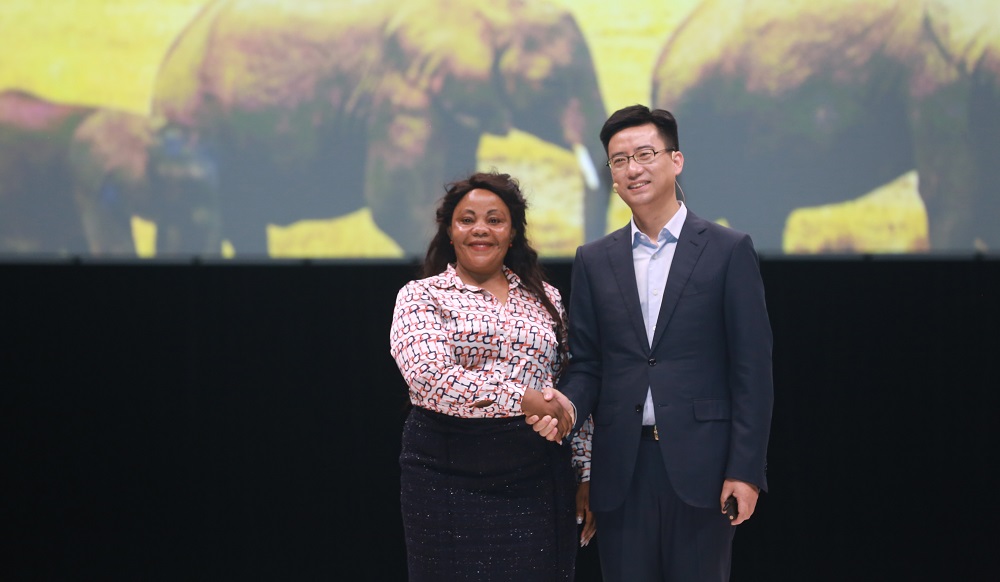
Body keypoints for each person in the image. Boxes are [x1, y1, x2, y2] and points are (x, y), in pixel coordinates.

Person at [528, 105, 774, 581]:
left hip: (704, 466)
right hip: (623, 467)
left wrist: (745, 469)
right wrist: (565, 405)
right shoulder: (595, 259)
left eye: (644, 154)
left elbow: (752, 369)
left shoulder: (728, 249)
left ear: (676, 160)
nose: (632, 169)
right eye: (619, 161)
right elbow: (588, 364)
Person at [390, 170, 596, 581]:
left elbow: (568, 385)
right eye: (467, 220)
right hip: (445, 474)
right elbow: (430, 379)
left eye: (495, 219)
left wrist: (586, 471)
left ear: (513, 233)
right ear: (450, 232)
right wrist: (521, 398)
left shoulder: (547, 299)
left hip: (537, 478)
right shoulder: (420, 295)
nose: (480, 229)